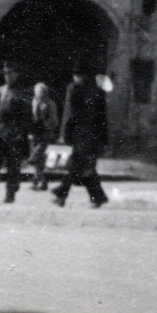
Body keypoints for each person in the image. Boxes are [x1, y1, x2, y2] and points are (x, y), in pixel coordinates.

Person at [52, 60, 110, 208]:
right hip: (93, 135)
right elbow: (102, 116)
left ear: (79, 75)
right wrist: (104, 138)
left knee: (77, 165)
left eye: (76, 74)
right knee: (85, 167)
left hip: (80, 134)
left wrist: (65, 134)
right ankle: (96, 196)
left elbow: (70, 113)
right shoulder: (98, 90)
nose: (74, 77)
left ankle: (62, 193)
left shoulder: (74, 88)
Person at [0, 62, 36, 203]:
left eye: (11, 73)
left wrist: (21, 133)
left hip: (14, 133)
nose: (8, 76)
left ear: (17, 74)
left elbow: (27, 116)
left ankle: (10, 194)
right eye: (5, 73)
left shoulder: (23, 93)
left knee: (13, 166)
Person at [29, 81, 60, 191]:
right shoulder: (33, 102)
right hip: (36, 133)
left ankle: (39, 181)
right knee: (40, 161)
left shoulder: (50, 103)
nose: (38, 93)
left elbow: (55, 120)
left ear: (45, 92)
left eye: (41, 91)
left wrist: (46, 125)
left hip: (46, 133)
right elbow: (31, 117)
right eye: (37, 91)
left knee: (39, 156)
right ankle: (41, 182)